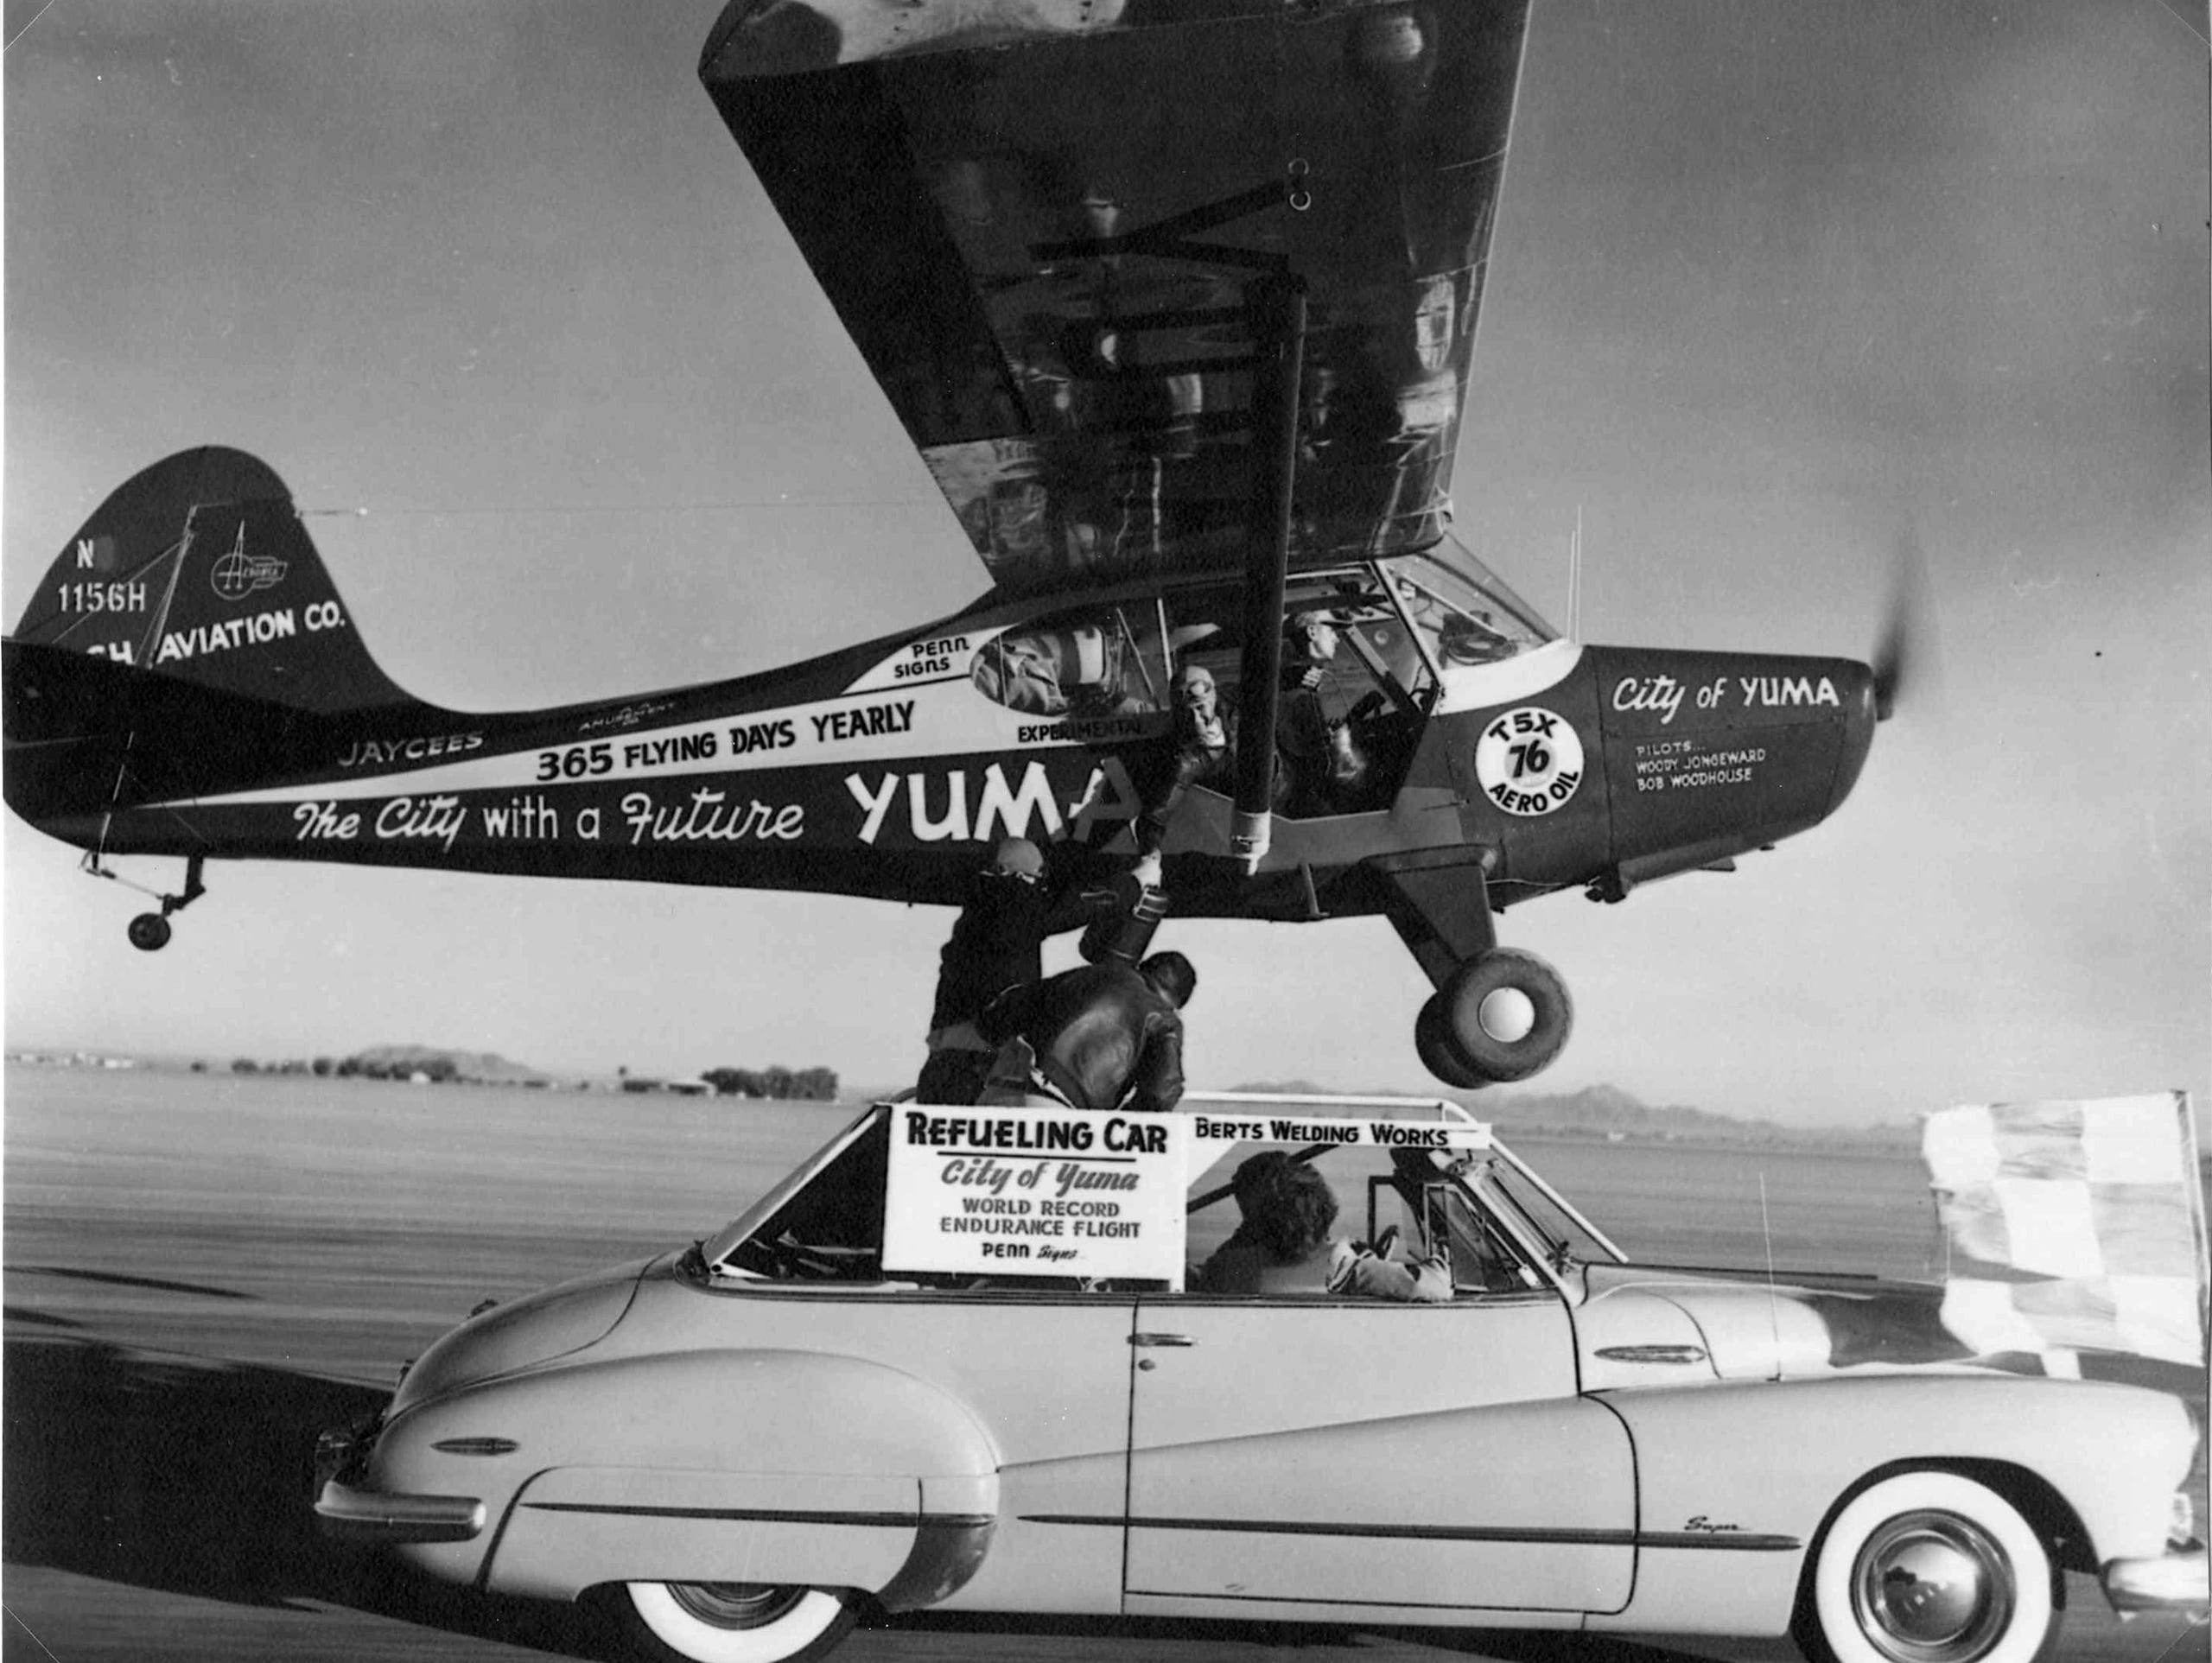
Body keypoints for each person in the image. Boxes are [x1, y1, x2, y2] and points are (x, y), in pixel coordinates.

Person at [914, 838, 1090, 1105]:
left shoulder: (977, 912)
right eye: (1033, 880)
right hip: (982, 1060)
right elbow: (1064, 911)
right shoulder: (1009, 901)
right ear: (1017, 876)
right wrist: (1132, 885)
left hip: (944, 1061)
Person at [1194, 1149, 1452, 1301]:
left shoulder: (1225, 1268)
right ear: (1321, 1206)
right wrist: (1442, 1246)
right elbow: (1435, 1286)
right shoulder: (1345, 1268)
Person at [975, 950, 1194, 1114]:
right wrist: (1116, 1127)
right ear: (1176, 1001)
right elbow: (1162, 1093)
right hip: (1054, 1106)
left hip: (998, 1089)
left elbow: (997, 1017)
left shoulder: (1089, 975)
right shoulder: (1164, 1018)